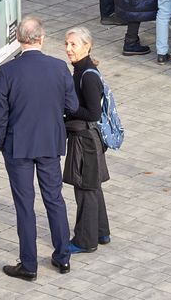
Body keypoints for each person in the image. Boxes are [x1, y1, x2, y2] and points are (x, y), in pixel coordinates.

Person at [0, 17, 78, 281]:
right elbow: (72, 106)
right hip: (49, 142)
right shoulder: (58, 67)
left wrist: (1, 142)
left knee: (25, 205)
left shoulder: (8, 72)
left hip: (17, 145)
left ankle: (29, 265)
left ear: (18, 39)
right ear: (41, 38)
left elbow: (1, 115)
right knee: (54, 198)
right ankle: (63, 256)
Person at [62, 28, 111, 255]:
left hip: (85, 140)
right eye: (67, 44)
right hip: (88, 139)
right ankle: (101, 231)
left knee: (85, 189)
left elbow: (92, 113)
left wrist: (68, 108)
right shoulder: (83, 70)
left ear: (87, 46)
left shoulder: (87, 75)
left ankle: (85, 240)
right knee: (93, 186)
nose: (69, 49)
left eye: (73, 44)